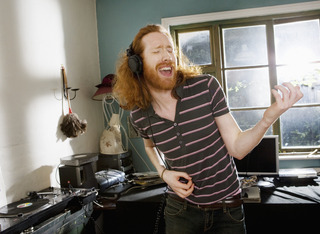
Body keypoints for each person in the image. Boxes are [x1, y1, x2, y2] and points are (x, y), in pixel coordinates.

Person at [113, 24, 303, 234]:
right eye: (157, 51)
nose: (167, 56)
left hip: (227, 209)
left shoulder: (206, 87)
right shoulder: (139, 115)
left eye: (169, 50)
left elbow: (237, 149)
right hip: (180, 211)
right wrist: (163, 172)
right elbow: (150, 146)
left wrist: (268, 118)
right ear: (136, 64)